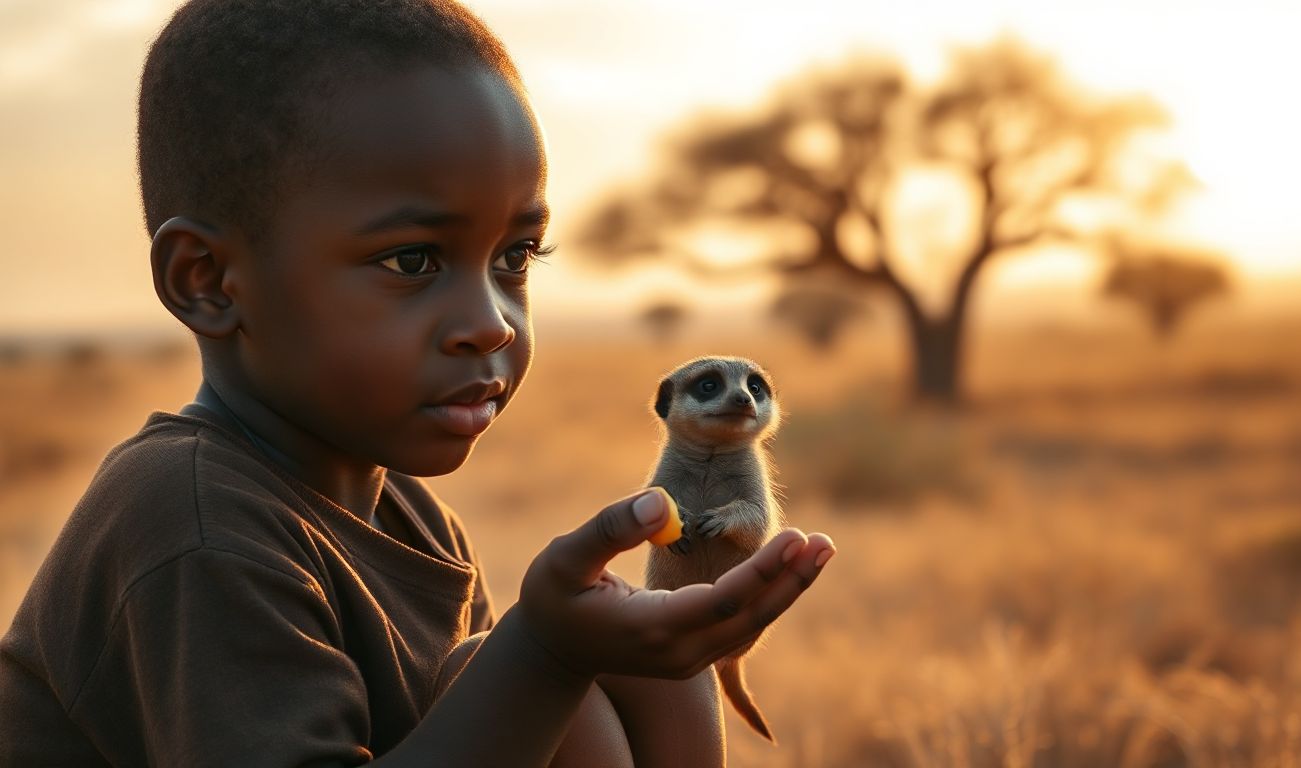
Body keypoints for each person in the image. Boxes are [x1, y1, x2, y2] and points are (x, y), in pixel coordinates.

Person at [0, 1, 836, 765]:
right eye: (412, 260)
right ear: (209, 282)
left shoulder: (411, 513)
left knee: (644, 667)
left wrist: (596, 652)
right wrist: (543, 651)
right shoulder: (190, 525)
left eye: (514, 258)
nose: (493, 322)